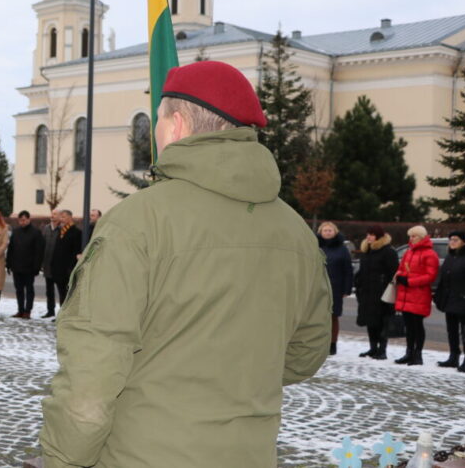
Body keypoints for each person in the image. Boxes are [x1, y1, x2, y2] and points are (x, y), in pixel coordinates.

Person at [40, 60, 331, 467]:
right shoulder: (297, 233)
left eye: (157, 120)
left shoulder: (136, 222)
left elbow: (92, 376)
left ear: (176, 126)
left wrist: (61, 461)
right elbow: (306, 354)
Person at [433, 231, 465, 372]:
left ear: (464, 241)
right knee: (451, 331)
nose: (452, 242)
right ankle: (453, 356)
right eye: (450, 240)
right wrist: (439, 297)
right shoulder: (451, 257)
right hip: (450, 300)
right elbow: (443, 280)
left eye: (455, 240)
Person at [394, 225, 439, 366]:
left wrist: (409, 281)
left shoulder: (430, 254)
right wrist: (400, 277)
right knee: (408, 325)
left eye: (414, 236)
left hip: (419, 294)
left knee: (417, 325)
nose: (411, 239)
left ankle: (418, 354)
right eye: (410, 236)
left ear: (421, 237)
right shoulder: (408, 252)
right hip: (406, 294)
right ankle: (409, 352)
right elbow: (401, 268)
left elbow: (430, 276)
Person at [354, 225, 398, 360]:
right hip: (367, 292)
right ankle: (373, 348)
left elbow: (393, 272)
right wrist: (358, 284)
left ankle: (382, 349)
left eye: (372, 234)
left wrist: (388, 288)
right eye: (367, 234)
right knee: (370, 320)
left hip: (382, 293)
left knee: (382, 321)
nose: (368, 237)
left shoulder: (388, 251)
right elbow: (362, 271)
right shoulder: (367, 251)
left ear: (378, 236)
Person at [317, 222, 353, 355]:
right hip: (317, 288)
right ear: (320, 232)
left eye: (330, 230)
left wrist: (347, 289)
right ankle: (318, 343)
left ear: (335, 232)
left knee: (333, 317)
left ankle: (332, 344)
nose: (327, 232)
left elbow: (348, 270)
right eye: (325, 230)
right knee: (317, 317)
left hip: (335, 288)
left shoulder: (342, 249)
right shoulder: (316, 247)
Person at [7, 210, 44, 319]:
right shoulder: (16, 231)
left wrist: (37, 267)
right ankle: (20, 310)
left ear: (28, 219)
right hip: (16, 266)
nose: (22, 222)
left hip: (29, 267)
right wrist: (9, 263)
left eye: (24, 220)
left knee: (29, 289)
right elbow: (11, 248)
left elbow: (39, 251)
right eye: (20, 220)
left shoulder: (36, 232)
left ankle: (28, 311)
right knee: (19, 290)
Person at [48, 209, 82, 312]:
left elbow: (75, 251)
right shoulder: (61, 231)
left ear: (70, 217)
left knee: (68, 293)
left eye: (63, 217)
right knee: (61, 292)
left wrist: (71, 267)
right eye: (61, 217)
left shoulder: (76, 232)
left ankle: (67, 313)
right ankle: (62, 312)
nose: (61, 219)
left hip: (67, 269)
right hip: (58, 268)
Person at [40, 209, 60, 318]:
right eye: (52, 214)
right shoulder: (46, 228)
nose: (52, 216)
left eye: (55, 214)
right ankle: (50, 310)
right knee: (49, 290)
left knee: (61, 290)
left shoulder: (62, 229)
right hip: (47, 264)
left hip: (58, 264)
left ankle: (62, 312)